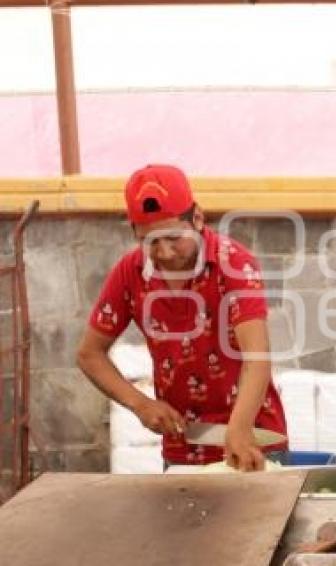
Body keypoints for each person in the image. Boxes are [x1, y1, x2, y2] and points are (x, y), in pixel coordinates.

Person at [77, 164, 287, 471]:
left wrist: (239, 428)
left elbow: (257, 355)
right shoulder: (128, 273)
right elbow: (89, 354)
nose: (165, 252)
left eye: (174, 237)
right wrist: (140, 404)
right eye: (150, 241)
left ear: (198, 219)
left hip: (252, 439)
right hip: (182, 448)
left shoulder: (235, 264)